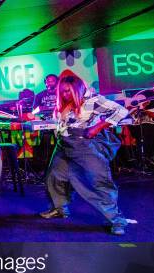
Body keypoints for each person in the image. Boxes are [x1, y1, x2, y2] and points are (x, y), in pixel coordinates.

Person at [40, 70, 129, 235]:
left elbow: (121, 111)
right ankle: (60, 208)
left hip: (83, 146)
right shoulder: (64, 103)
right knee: (54, 177)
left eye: (68, 91)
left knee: (99, 181)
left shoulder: (93, 100)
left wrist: (97, 127)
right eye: (62, 91)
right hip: (63, 144)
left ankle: (117, 220)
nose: (65, 94)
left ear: (77, 88)